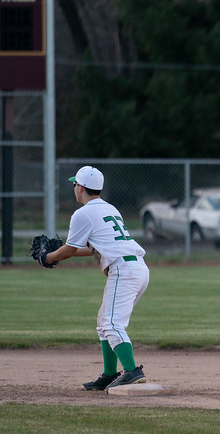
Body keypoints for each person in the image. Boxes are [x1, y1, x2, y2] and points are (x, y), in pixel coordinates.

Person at [42, 166, 150, 391]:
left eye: (75, 185)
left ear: (80, 187)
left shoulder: (83, 213)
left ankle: (132, 371)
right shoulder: (109, 208)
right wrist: (58, 253)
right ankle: (109, 374)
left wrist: (48, 257)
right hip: (136, 267)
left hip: (123, 270)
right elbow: (92, 248)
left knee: (111, 324)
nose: (74, 188)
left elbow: (71, 249)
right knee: (104, 323)